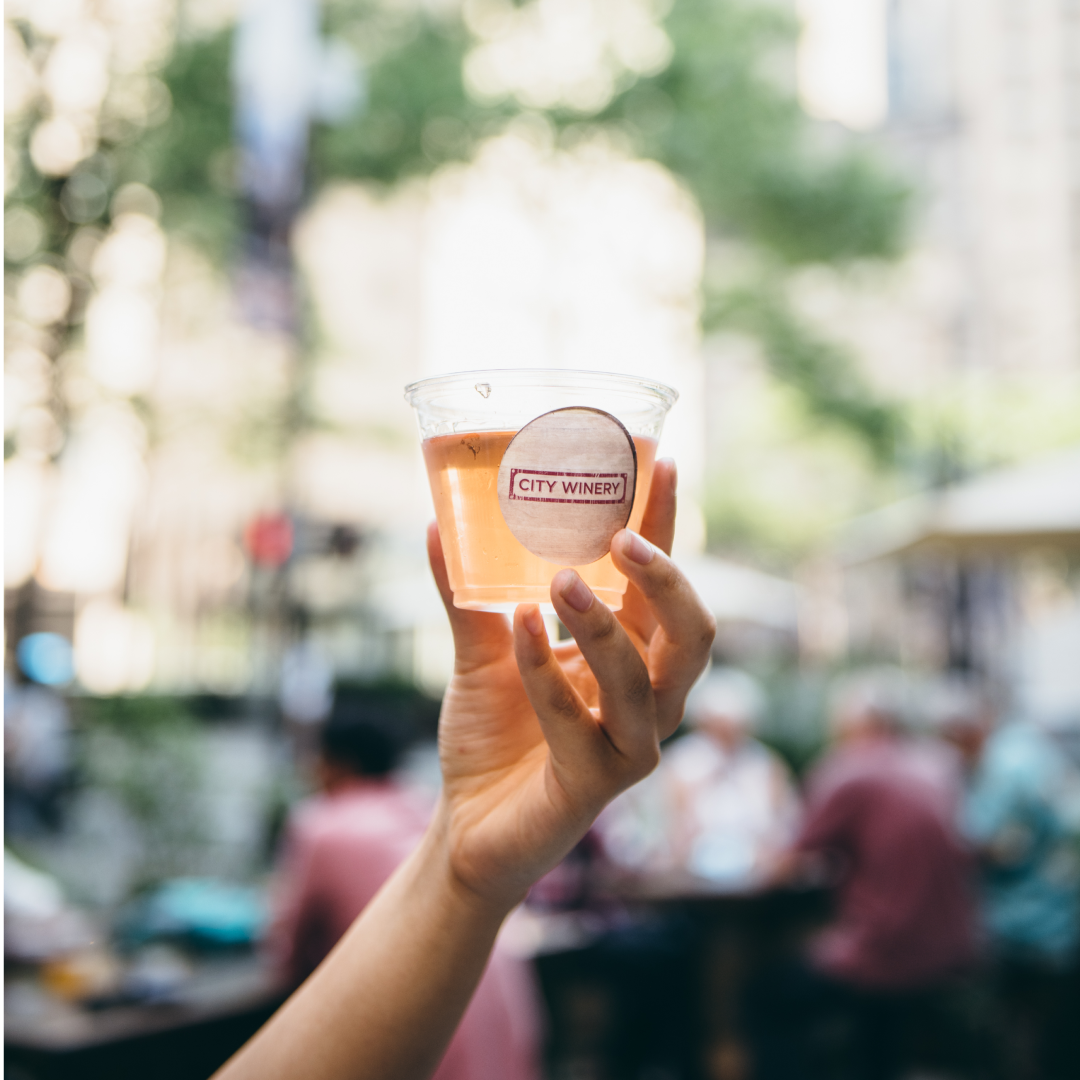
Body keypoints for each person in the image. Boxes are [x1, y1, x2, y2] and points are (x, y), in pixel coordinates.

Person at [214, 459, 716, 1080]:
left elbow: (283, 955)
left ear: (331, 762)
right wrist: (465, 870)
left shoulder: (323, 825)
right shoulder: (415, 807)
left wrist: (464, 874)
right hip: (514, 1043)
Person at [266, 709, 541, 1080]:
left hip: (422, 1016)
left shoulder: (321, 824)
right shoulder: (426, 806)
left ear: (337, 763)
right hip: (503, 1004)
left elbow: (289, 947)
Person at [744, 669, 977, 1080]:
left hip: (883, 949)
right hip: (949, 944)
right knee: (870, 1016)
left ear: (857, 723)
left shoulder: (851, 768)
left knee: (764, 995)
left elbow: (785, 861)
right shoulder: (937, 763)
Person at [934, 679, 1080, 1079]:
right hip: (1045, 921)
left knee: (1031, 1034)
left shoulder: (1008, 763)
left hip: (1032, 926)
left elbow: (988, 842)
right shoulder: (1021, 751)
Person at [664, 667, 799, 884]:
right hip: (693, 872)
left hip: (757, 870)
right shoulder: (681, 762)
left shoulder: (766, 764)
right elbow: (670, 825)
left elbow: (784, 822)